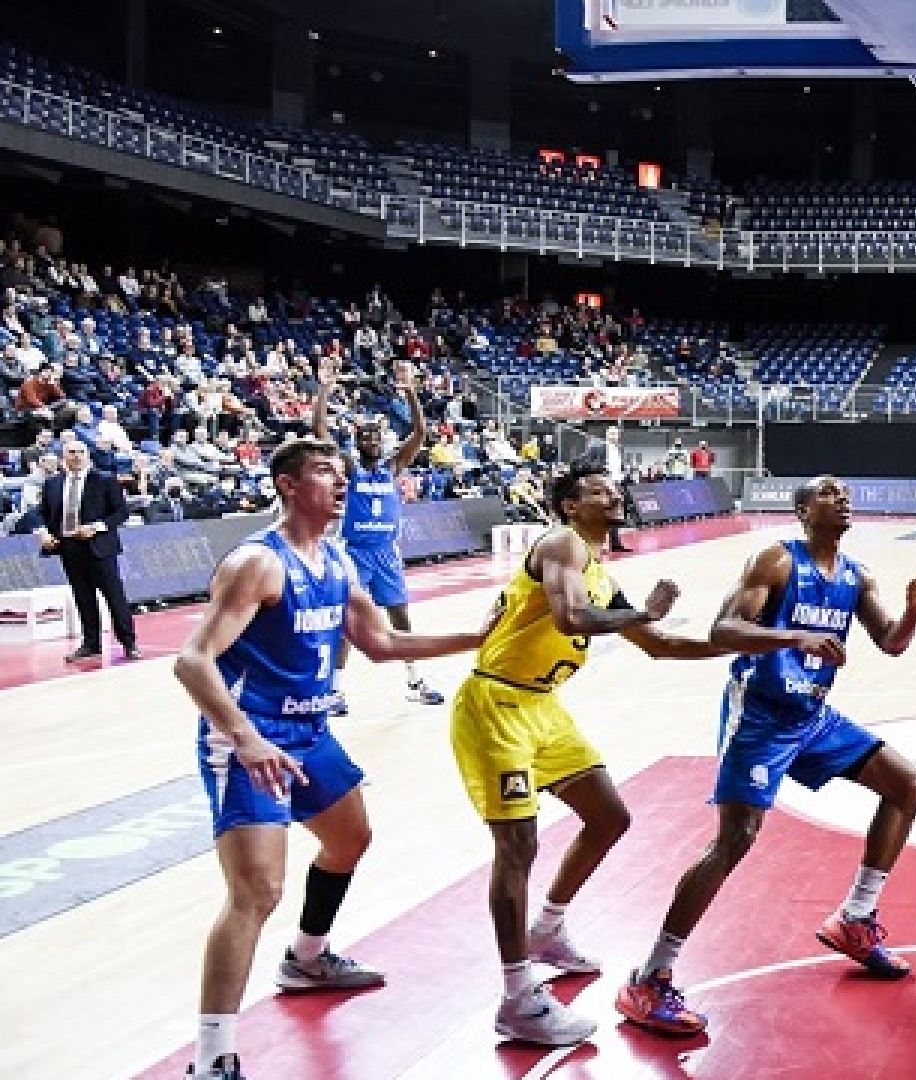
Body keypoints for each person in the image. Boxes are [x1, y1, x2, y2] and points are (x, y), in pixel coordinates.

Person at [173, 437, 496, 1080]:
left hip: (309, 732)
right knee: (256, 892)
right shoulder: (257, 563)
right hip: (251, 737)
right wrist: (246, 738)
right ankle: (212, 1059)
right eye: (325, 471)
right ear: (288, 484)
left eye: (342, 472)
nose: (341, 481)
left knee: (350, 839)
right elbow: (192, 661)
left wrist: (478, 637)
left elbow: (380, 642)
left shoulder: (338, 559)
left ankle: (307, 958)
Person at [619, 475, 916, 1036]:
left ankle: (855, 917)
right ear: (802, 511)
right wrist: (794, 637)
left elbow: (891, 642)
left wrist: (914, 612)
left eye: (844, 492)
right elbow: (724, 630)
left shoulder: (857, 576)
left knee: (906, 786)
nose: (842, 498)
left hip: (812, 715)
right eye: (827, 493)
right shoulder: (775, 561)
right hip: (760, 716)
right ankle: (649, 978)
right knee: (735, 840)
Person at [452, 458, 724, 1046]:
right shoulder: (561, 544)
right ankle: (517, 997)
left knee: (608, 817)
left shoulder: (598, 571)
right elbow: (570, 617)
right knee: (517, 845)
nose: (613, 494)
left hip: (542, 707)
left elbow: (658, 646)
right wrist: (644, 611)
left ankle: (547, 928)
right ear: (570, 506)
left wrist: (739, 646)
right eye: (597, 490)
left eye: (612, 487)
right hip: (496, 704)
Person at [311, 355, 440, 708]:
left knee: (400, 617)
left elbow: (420, 433)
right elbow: (320, 431)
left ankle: (415, 680)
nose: (372, 441)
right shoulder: (349, 468)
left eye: (376, 437)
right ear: (357, 442)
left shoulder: (392, 467)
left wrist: (410, 392)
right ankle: (333, 689)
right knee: (349, 619)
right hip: (355, 553)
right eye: (366, 437)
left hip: (386, 553)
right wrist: (324, 388)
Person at [36, 437, 138, 662]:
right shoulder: (53, 483)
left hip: (99, 547)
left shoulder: (105, 480)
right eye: (71, 452)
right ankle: (91, 644)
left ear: (88, 456)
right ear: (64, 457)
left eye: (80, 452)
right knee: (83, 597)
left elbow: (121, 513)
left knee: (114, 596)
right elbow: (42, 513)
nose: (76, 456)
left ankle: (129, 643)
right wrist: (43, 532)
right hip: (69, 547)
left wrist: (96, 527)